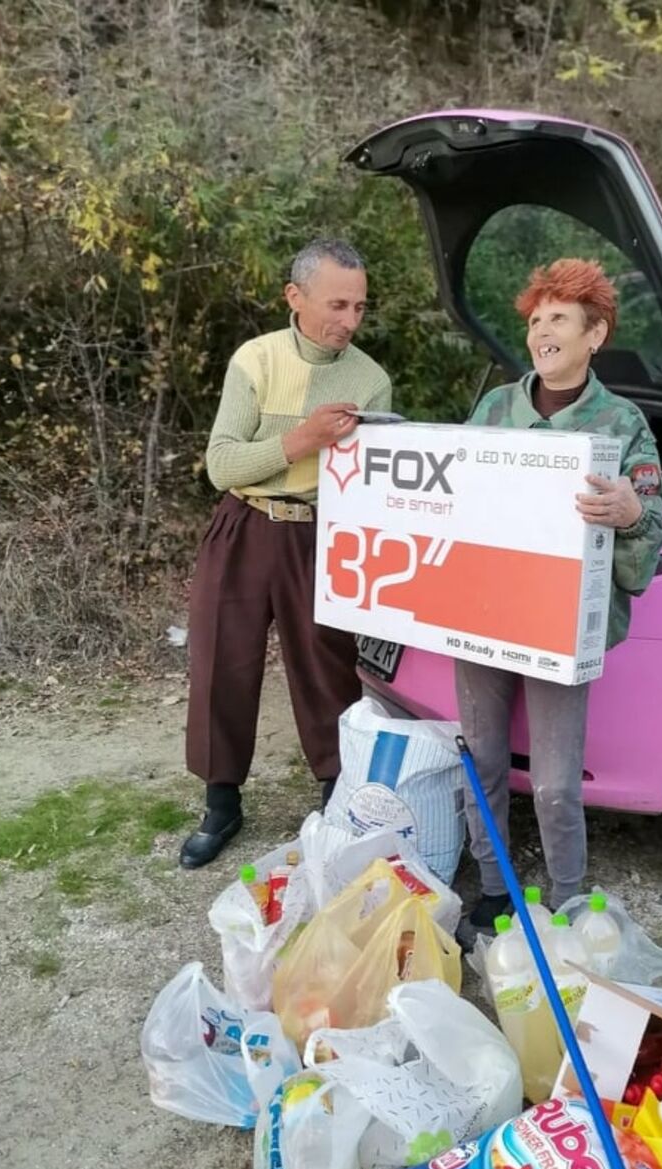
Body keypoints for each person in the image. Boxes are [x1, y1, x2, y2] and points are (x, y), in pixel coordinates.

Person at [456, 258, 662, 930]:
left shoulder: (622, 422)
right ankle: (494, 887)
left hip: (560, 625)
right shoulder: (494, 408)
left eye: (558, 319)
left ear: (594, 335)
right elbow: (454, 502)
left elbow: (653, 524)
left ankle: (568, 897)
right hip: (485, 615)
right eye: (535, 320)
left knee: (553, 781)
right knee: (482, 761)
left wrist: (631, 515)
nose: (541, 332)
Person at [179, 239, 392, 868]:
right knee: (221, 660)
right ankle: (221, 803)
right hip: (244, 523)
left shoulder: (371, 380)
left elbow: (372, 479)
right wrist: (302, 439)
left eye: (359, 307)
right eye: (337, 305)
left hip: (322, 532)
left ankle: (337, 794)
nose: (350, 321)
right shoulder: (256, 359)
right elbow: (222, 464)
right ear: (295, 297)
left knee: (329, 667)